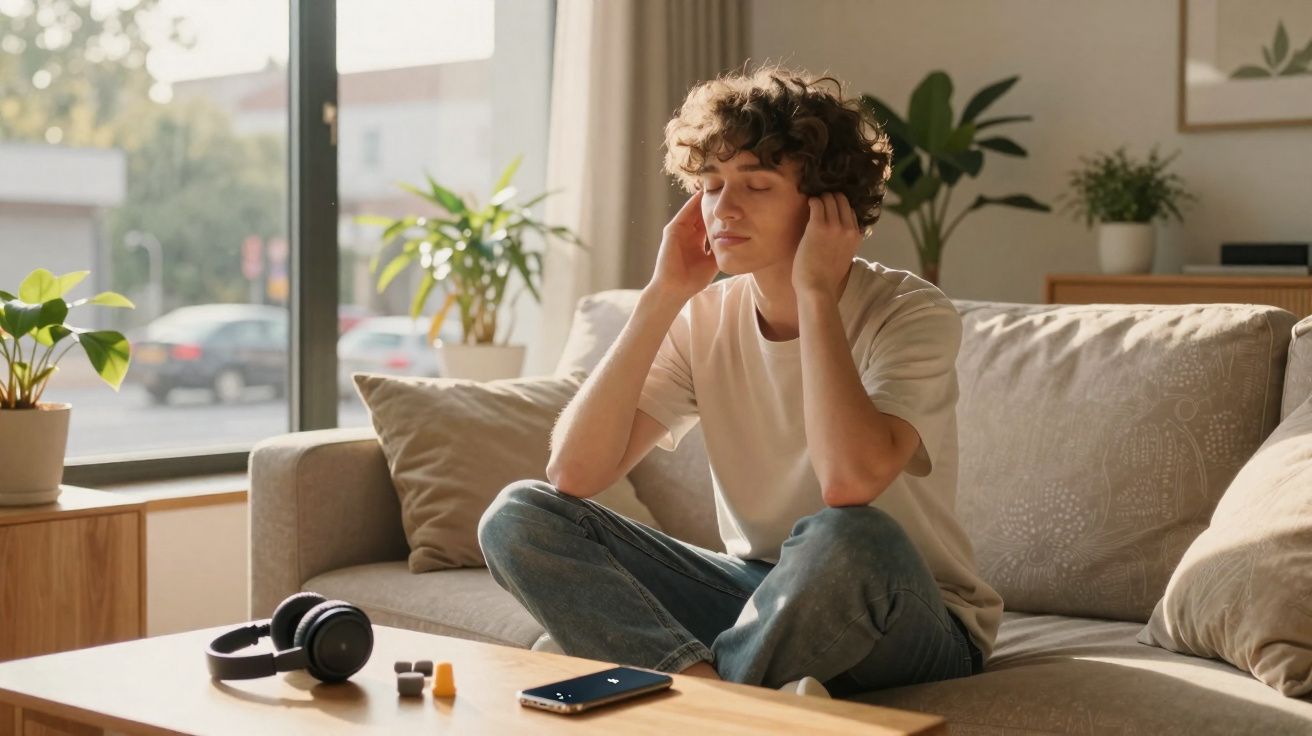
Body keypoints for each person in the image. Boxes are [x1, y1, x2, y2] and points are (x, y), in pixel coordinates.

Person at [477, 63, 1003, 699]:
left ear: (825, 203)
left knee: (848, 536)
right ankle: (716, 695)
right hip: (760, 592)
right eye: (710, 184)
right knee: (519, 514)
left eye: (755, 185)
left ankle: (685, 695)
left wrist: (813, 292)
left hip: (908, 611)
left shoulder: (910, 312)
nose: (722, 209)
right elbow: (574, 476)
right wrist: (660, 296)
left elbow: (849, 481)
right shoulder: (701, 318)